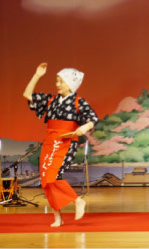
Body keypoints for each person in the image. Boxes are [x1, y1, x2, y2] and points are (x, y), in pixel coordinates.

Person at [23, 63, 98, 227]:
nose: (57, 85)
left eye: (61, 81)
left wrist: (84, 127)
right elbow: (27, 94)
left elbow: (92, 119)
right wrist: (37, 75)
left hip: (65, 142)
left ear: (70, 83)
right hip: (50, 142)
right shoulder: (51, 100)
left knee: (54, 177)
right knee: (46, 181)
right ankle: (58, 217)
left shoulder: (78, 102)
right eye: (57, 81)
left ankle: (78, 201)